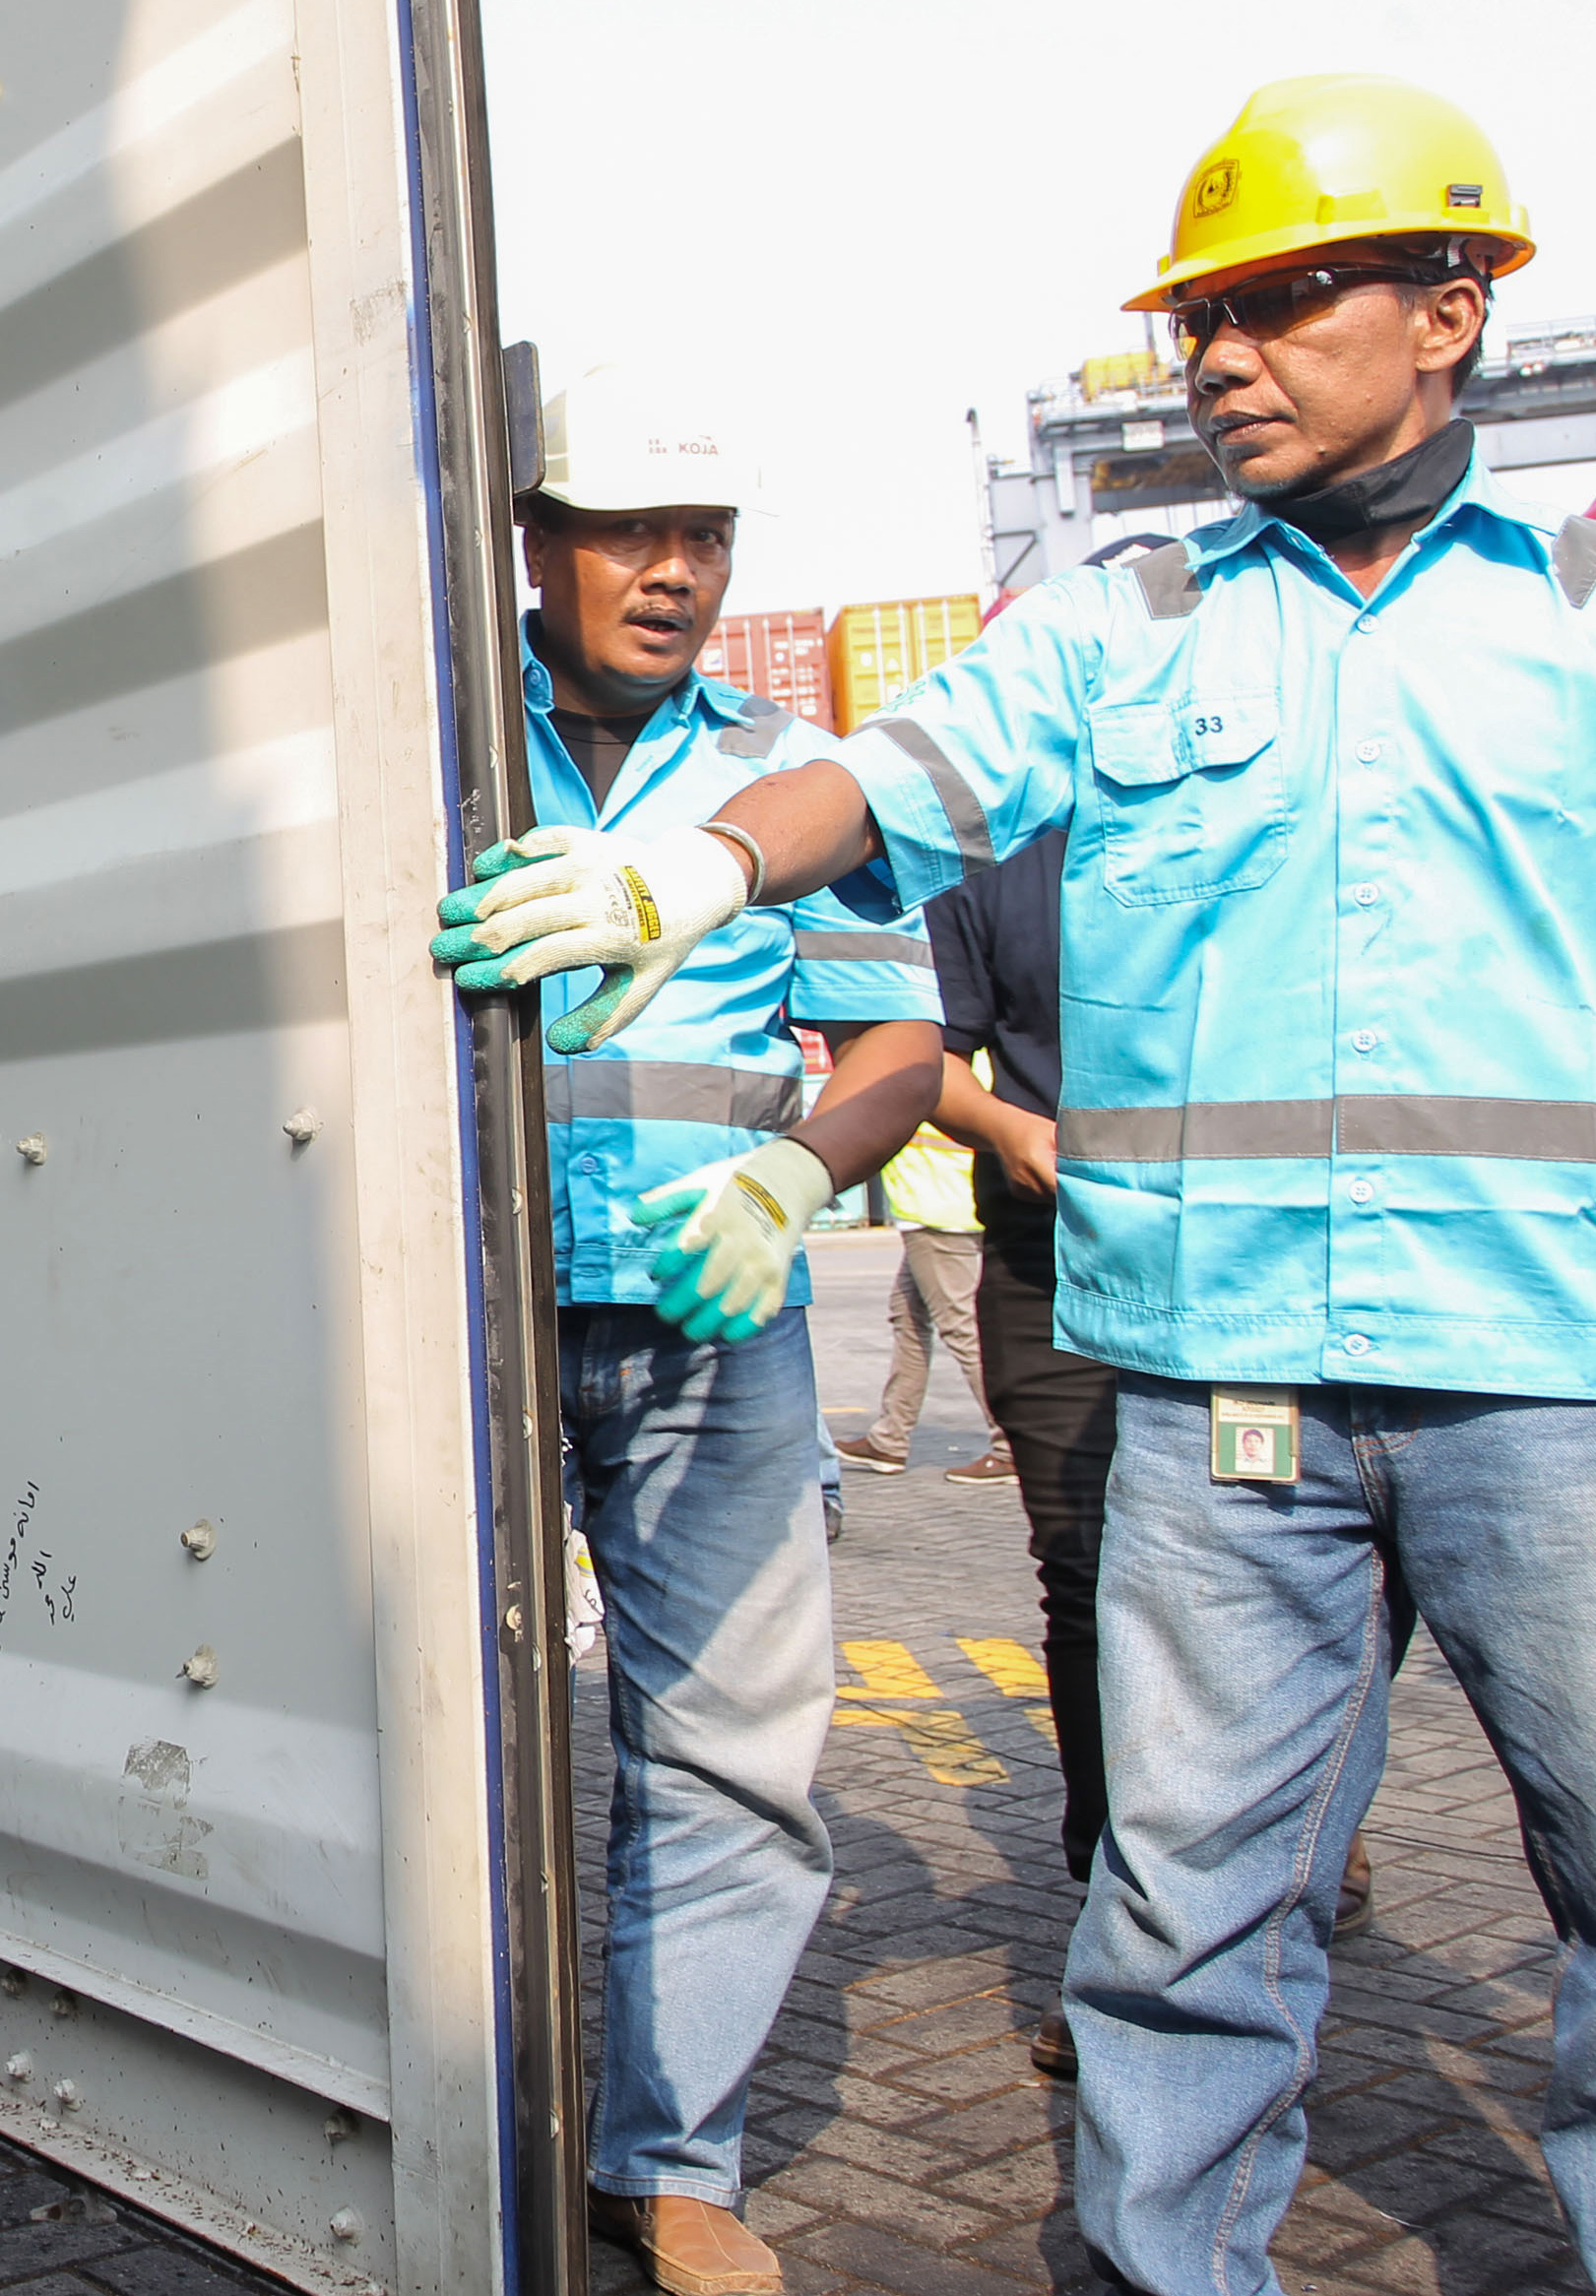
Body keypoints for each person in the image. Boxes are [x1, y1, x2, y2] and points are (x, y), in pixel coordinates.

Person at [436, 75, 1596, 2296]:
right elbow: (889, 774)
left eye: (1280, 300)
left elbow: (880, 1020)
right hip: (1220, 1401)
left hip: (1559, 1382)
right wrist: (687, 865)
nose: (1216, 353)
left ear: (1452, 313)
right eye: (1199, 312)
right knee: (1179, 1923)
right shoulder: (1119, 623)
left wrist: (775, 1129)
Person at [487, 364, 945, 2296]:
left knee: (729, 1745)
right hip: (467, 1318)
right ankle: (411, 2098)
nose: (669, 573)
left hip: (709, 1321)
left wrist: (791, 1178)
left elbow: (896, 1050)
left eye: (703, 539)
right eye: (623, 531)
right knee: (414, 1730)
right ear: (532, 538)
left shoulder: (785, 772)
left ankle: (666, 2158)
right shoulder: (427, 738)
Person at [838, 1110, 1009, 1483]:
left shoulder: (935, 1062)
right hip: (938, 1206)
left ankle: (1009, 1445)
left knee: (961, 1329)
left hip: (938, 1210)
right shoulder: (967, 1061)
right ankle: (889, 1439)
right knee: (908, 1320)